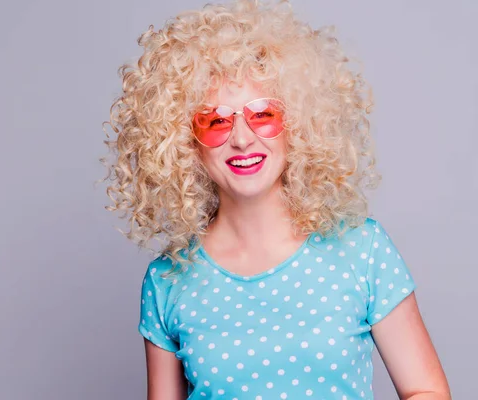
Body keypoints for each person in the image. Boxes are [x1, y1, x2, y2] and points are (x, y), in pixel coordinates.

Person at [103, 0, 451, 398]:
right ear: (185, 141)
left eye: (263, 114)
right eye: (216, 120)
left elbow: (426, 390)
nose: (241, 137)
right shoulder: (168, 281)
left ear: (298, 124)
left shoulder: (362, 250)